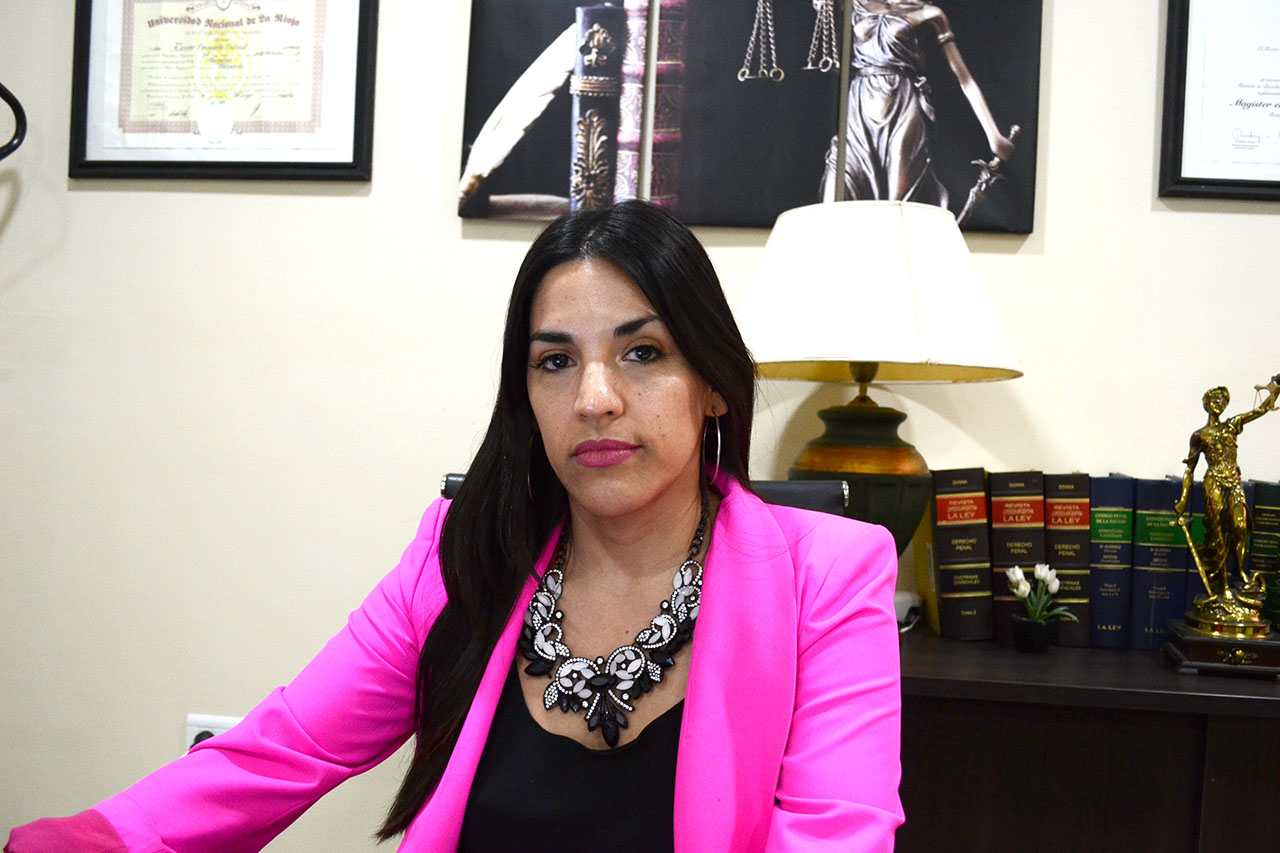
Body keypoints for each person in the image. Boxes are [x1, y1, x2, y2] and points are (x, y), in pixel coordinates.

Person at [7, 201, 903, 852]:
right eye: (556, 361)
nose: (595, 398)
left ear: (712, 383)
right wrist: (104, 835)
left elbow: (837, 834)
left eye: (643, 352)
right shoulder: (464, 552)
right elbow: (289, 745)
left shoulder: (827, 574)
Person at [821, 0, 1015, 207]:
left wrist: (993, 135)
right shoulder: (857, 4)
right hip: (858, 109)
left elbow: (964, 78)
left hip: (903, 107)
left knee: (898, 204)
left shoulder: (929, 13)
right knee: (835, 195)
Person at [1174, 376, 1280, 614]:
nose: (1219, 403)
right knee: (1219, 535)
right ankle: (1222, 586)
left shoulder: (1232, 425)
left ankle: (1240, 572)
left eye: (1223, 401)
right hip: (1213, 483)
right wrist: (1183, 499)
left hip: (1233, 481)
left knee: (1240, 525)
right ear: (1206, 403)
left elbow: (1261, 410)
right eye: (1214, 399)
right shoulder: (1199, 435)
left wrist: (1277, 389)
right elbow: (1190, 469)